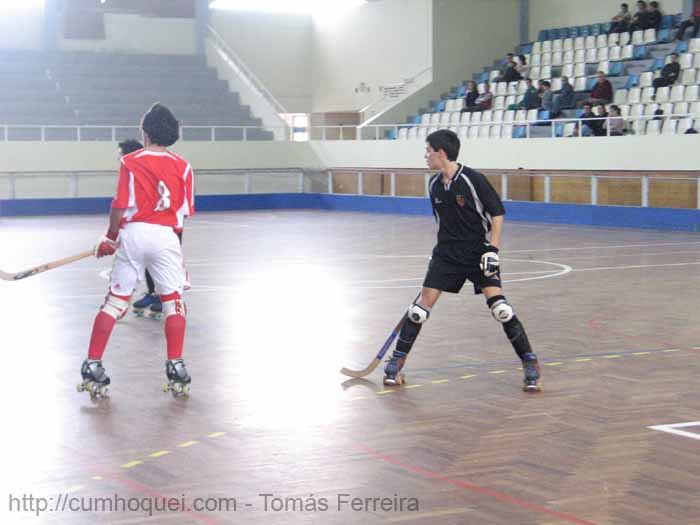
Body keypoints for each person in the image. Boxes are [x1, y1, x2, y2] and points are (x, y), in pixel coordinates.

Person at [382, 129, 541, 392]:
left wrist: (493, 249)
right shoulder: (433, 185)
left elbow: (497, 213)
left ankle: (530, 363)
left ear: (441, 152)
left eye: (428, 150)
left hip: (478, 253)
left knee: (501, 309)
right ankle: (396, 363)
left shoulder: (472, 179)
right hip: (446, 253)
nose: (425, 155)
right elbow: (442, 223)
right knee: (419, 310)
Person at [78, 103, 195, 397]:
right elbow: (182, 216)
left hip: (133, 234)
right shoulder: (184, 166)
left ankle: (93, 363)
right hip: (167, 235)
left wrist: (109, 237)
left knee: (115, 302)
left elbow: (119, 204)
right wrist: (173, 250)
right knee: (173, 301)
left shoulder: (130, 161)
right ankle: (176, 364)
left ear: (145, 132)